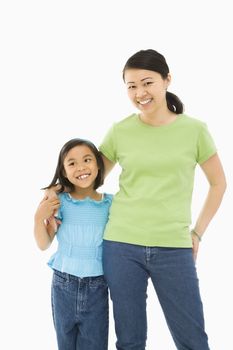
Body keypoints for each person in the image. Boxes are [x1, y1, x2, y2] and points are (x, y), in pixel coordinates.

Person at [98, 49, 227, 350]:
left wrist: (198, 232)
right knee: (129, 342)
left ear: (167, 80)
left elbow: (219, 183)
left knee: (193, 340)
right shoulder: (120, 131)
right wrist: (55, 191)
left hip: (174, 246)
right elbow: (90, 179)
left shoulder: (194, 130)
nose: (140, 92)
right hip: (121, 245)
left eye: (147, 82)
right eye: (131, 86)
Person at [34, 138, 113, 350]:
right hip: (63, 284)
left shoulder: (110, 203)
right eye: (72, 163)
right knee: (65, 343)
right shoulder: (59, 202)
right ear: (64, 170)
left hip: (98, 284)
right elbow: (43, 244)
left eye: (87, 160)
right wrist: (38, 218)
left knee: (95, 344)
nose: (81, 167)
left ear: (98, 164)